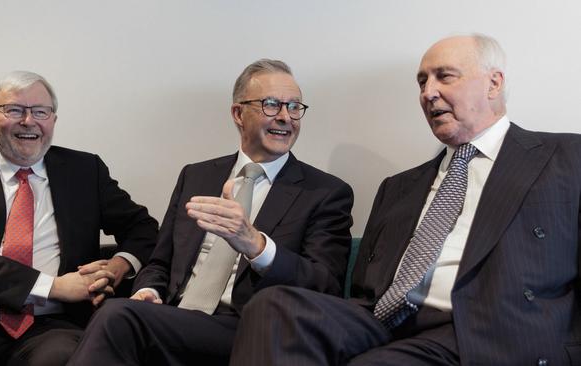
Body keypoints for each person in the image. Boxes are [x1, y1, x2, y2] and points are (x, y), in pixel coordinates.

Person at [228, 35, 581, 366]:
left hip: (483, 326)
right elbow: (366, 287)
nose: (429, 93)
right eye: (422, 82)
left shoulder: (565, 157)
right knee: (271, 306)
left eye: (445, 77)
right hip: (383, 319)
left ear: (494, 83)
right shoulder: (398, 187)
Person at [67, 59, 354, 365]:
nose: (285, 117)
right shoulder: (197, 176)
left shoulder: (325, 193)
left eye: (294, 107)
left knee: (118, 316)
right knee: (116, 315)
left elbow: (326, 286)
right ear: (238, 113)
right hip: (174, 318)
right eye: (271, 105)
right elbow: (160, 261)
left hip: (245, 328)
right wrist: (148, 290)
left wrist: (256, 246)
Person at [0, 71, 159, 366]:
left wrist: (118, 266)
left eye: (41, 111)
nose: (29, 121)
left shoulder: (84, 171)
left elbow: (143, 228)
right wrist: (54, 286)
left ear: (53, 120)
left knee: (64, 358)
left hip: (51, 326)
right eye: (14, 110)